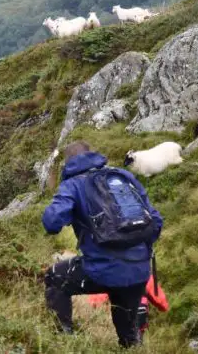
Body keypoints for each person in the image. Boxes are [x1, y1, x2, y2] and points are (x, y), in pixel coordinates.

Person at [42, 141, 163, 348]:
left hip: (102, 270)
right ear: (92, 154)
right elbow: (156, 221)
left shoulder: (73, 184)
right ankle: (131, 344)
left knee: (54, 278)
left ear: (69, 163)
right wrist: (138, 252)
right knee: (129, 337)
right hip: (139, 272)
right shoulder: (123, 176)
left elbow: (51, 223)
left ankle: (63, 341)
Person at [87, 273, 169, 342]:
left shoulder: (113, 273)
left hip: (122, 312)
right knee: (136, 338)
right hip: (140, 313)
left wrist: (95, 304)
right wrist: (164, 307)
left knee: (125, 338)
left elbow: (97, 301)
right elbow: (160, 299)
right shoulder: (144, 273)